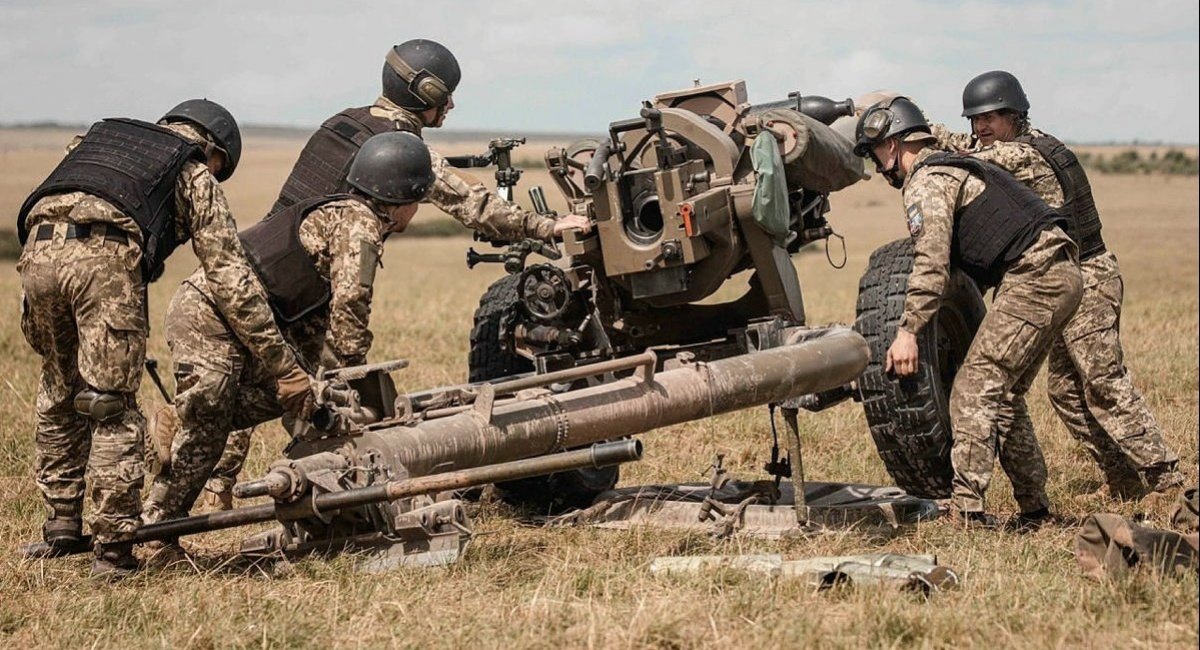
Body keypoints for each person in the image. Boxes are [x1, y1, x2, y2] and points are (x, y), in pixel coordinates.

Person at [16, 100, 316, 578]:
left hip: (35, 252)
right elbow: (230, 278)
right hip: (104, 260)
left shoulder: (100, 139)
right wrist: (282, 364)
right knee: (108, 405)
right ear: (215, 153)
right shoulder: (192, 171)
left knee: (58, 389)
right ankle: (114, 549)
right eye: (221, 169)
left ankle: (62, 526)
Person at [141, 131, 436, 529]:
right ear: (405, 198)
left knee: (291, 396)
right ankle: (158, 526)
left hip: (239, 318)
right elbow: (350, 305)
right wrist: (353, 376)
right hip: (209, 314)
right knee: (209, 425)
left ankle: (175, 444)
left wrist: (323, 398)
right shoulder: (359, 225)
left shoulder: (342, 215)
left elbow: (314, 334)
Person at [931, 71, 1183, 501]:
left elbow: (964, 156)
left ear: (1015, 115)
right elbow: (968, 145)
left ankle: (1168, 480)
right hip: (1070, 275)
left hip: (1088, 274)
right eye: (975, 120)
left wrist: (912, 133)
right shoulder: (1028, 143)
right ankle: (1123, 482)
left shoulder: (1024, 156)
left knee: (1103, 382)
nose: (981, 128)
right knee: (1065, 390)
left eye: (991, 118)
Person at [854, 97, 1083, 526]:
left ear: (893, 145)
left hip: (1036, 276)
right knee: (1005, 395)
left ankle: (966, 510)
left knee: (973, 387)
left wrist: (907, 332)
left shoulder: (927, 180)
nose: (879, 168)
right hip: (1059, 272)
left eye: (875, 155)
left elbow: (931, 261)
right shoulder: (955, 164)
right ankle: (1035, 509)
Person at [271, 38, 591, 241]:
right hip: (300, 272)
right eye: (446, 96)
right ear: (428, 93)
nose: (450, 105)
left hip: (270, 244)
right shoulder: (399, 146)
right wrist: (547, 226)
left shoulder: (345, 119)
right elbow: (471, 203)